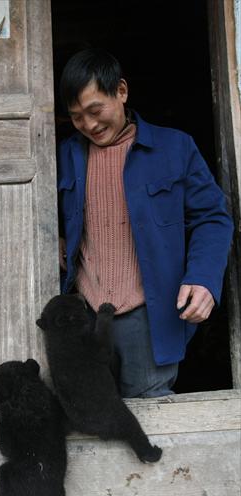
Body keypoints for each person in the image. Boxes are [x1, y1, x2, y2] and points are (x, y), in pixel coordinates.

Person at [57, 49, 234, 398]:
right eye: (77, 117)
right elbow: (43, 213)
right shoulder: (63, 156)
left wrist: (203, 278)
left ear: (121, 91)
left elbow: (212, 218)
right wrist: (56, 238)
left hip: (147, 315)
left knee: (153, 416)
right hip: (85, 314)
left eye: (95, 111)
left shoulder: (175, 148)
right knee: (89, 417)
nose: (89, 125)